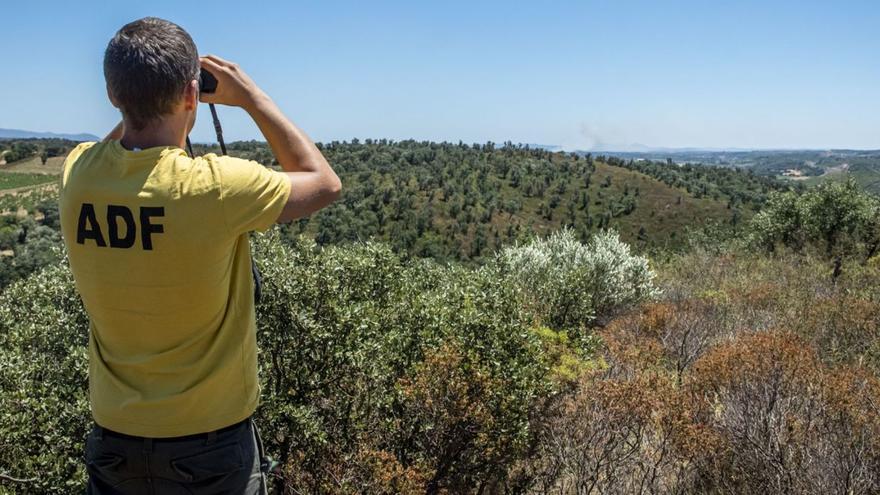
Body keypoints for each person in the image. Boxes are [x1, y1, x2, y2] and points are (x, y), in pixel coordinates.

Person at [58, 16, 341, 493]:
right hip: (210, 446)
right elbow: (323, 183)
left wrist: (143, 96)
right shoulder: (215, 187)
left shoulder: (77, 176)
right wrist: (250, 97)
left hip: (114, 444)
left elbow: (122, 141)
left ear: (112, 95)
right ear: (192, 94)